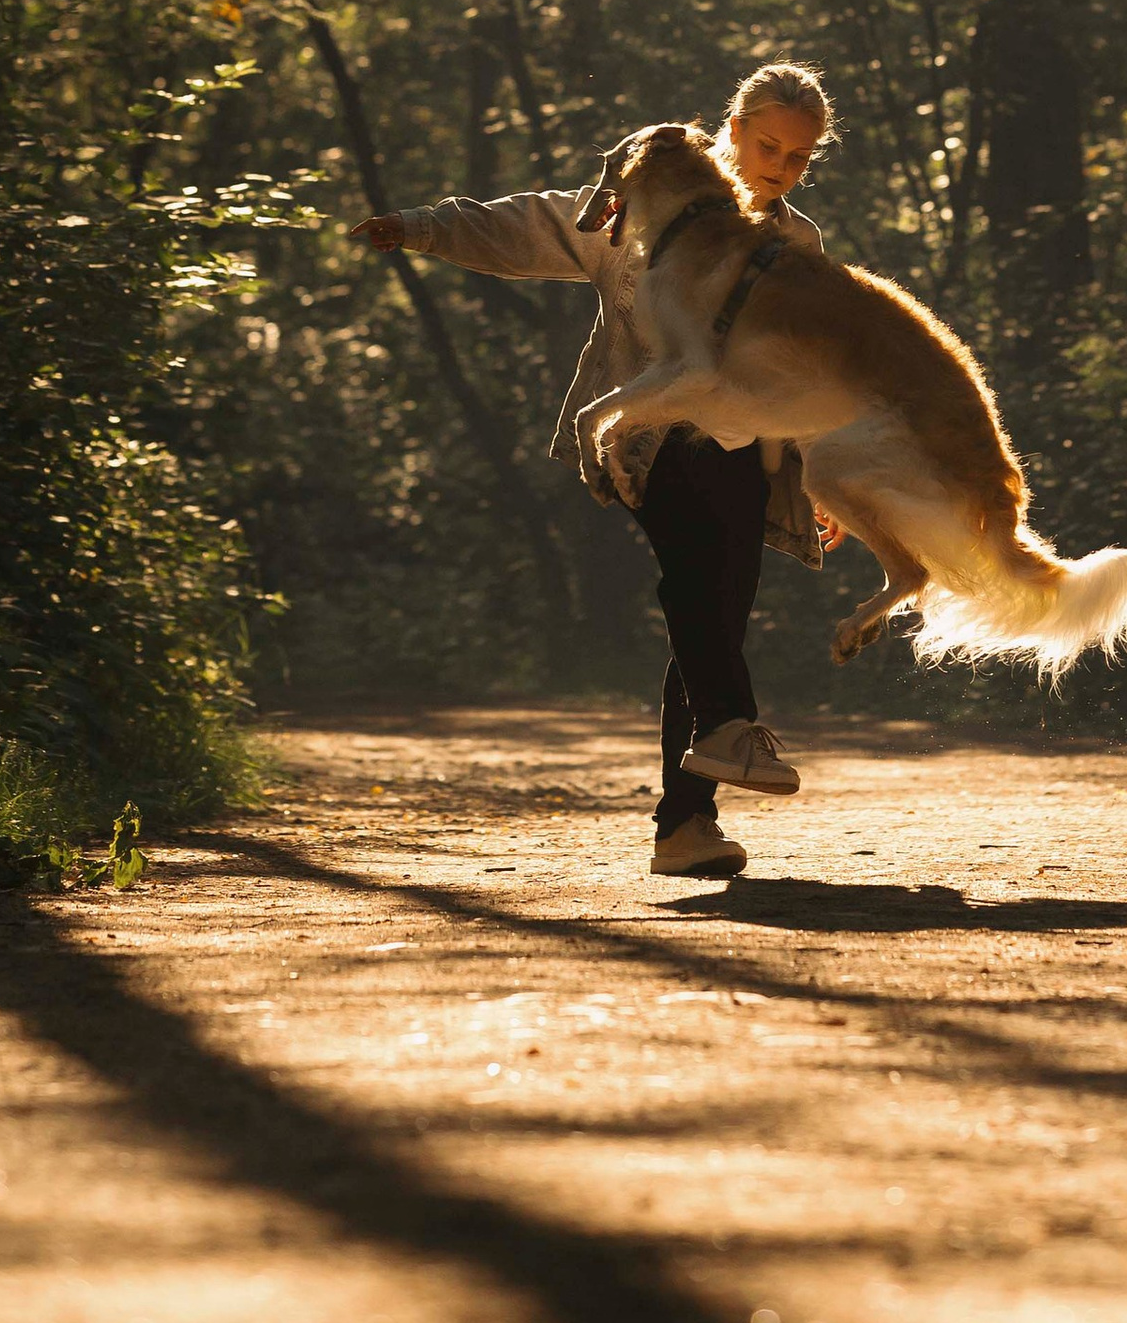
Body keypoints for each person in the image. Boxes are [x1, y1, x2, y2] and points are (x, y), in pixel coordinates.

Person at [355, 62, 836, 881]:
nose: (778, 167)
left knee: (713, 619)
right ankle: (730, 722)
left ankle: (685, 827)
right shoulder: (646, 205)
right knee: (694, 581)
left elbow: (809, 367)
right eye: (766, 145)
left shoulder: (796, 243)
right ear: (732, 129)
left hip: (746, 451)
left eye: (798, 158)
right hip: (645, 437)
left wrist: (818, 477)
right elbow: (534, 225)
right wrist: (424, 227)